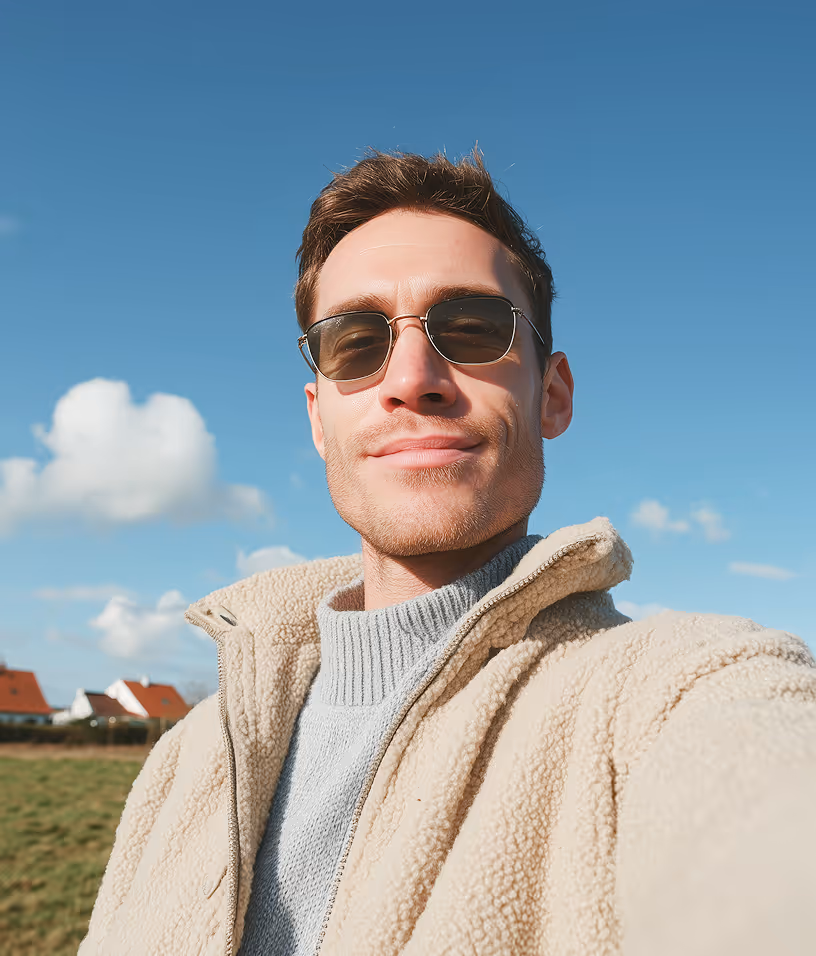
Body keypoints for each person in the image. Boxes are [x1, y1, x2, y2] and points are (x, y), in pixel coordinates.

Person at [80, 151, 816, 956]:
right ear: (318, 415)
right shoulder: (188, 760)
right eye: (355, 342)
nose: (412, 377)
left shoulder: (673, 697)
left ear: (553, 393)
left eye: (472, 328)